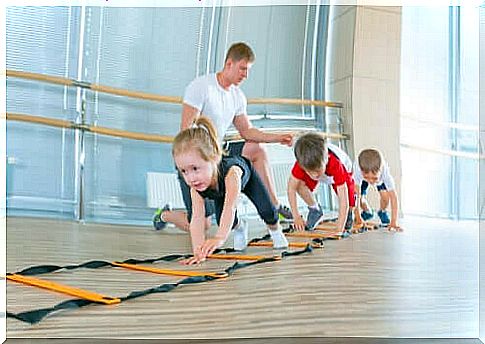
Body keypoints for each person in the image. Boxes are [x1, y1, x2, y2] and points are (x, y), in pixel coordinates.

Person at [155, 42, 293, 231]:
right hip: (196, 156)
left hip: (218, 154)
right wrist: (190, 165)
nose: (245, 75)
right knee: (202, 224)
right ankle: (164, 214)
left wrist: (277, 138)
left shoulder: (237, 96)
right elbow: (185, 129)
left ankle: (274, 206)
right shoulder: (201, 86)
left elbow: (247, 132)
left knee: (257, 148)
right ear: (229, 64)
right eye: (243, 69)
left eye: (248, 70)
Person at [172, 116, 289, 265]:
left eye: (195, 168)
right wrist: (198, 252)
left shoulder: (231, 173)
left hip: (247, 179)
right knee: (226, 221)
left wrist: (219, 238)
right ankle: (241, 227)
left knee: (267, 210)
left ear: (213, 158)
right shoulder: (195, 186)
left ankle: (275, 230)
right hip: (221, 190)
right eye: (184, 171)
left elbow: (230, 206)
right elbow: (197, 218)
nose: (191, 178)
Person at [287, 132, 355, 234]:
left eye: (317, 171)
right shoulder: (302, 163)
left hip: (342, 171)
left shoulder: (336, 164)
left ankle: (350, 213)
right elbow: (291, 188)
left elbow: (343, 199)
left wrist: (339, 228)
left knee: (349, 198)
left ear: (327, 158)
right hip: (322, 171)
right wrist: (296, 216)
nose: (314, 175)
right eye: (310, 172)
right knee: (299, 184)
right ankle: (315, 209)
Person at [353, 148, 402, 231]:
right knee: (360, 199)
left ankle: (382, 211)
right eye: (367, 177)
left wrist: (394, 221)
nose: (371, 181)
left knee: (385, 197)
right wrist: (358, 217)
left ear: (380, 170)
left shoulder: (384, 172)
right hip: (362, 179)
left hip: (379, 179)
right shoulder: (357, 169)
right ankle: (367, 211)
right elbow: (355, 194)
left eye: (374, 178)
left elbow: (393, 197)